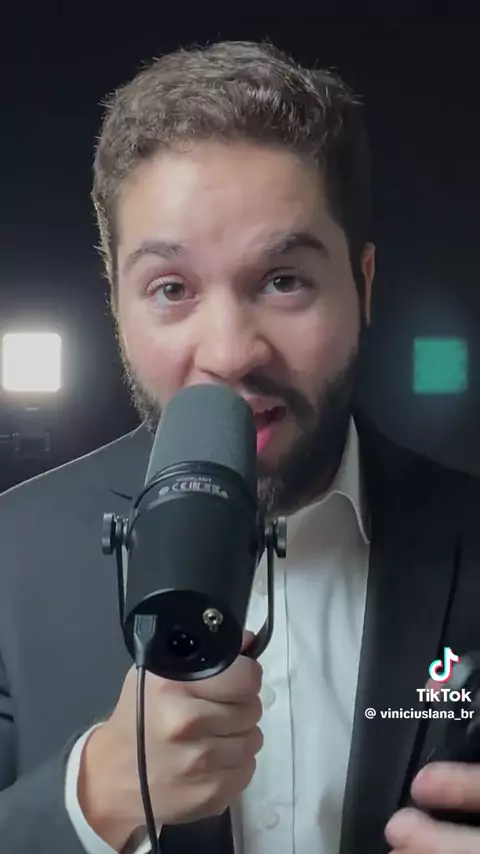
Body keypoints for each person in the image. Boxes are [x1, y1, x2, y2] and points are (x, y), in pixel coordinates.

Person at [1, 38, 480, 854]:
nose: (228, 353)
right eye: (171, 289)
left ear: (362, 286)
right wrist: (89, 801)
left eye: (284, 280)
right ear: (116, 303)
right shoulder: (8, 555)